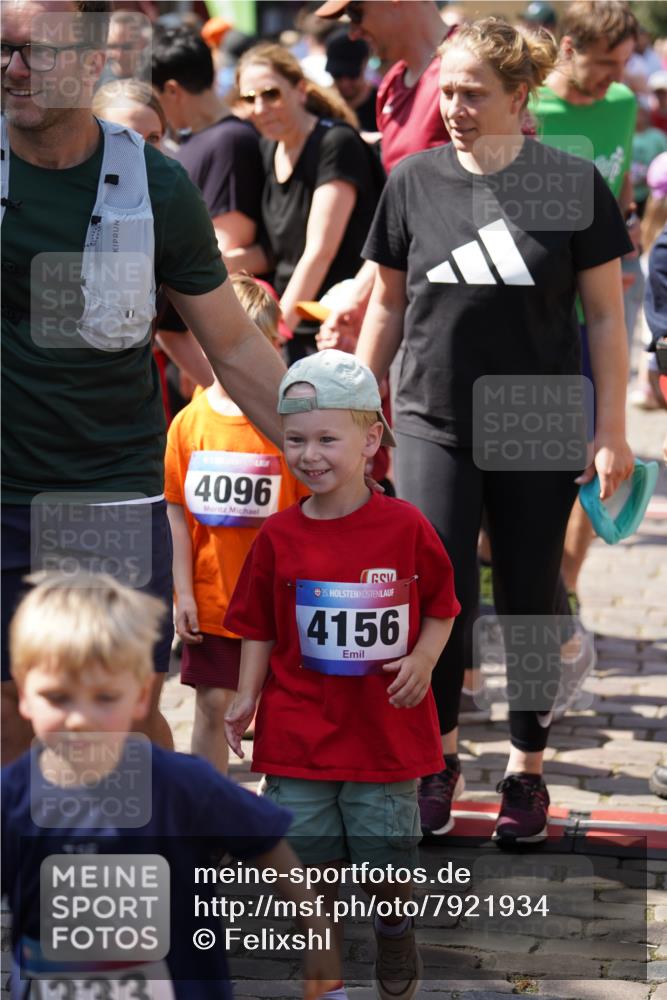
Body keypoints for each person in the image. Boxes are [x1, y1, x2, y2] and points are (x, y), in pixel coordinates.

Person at [356, 18, 634, 846]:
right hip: (430, 414)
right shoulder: (412, 179)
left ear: (520, 97)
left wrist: (610, 429)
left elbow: (605, 318)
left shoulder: (571, 183)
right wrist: (359, 402)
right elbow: (386, 303)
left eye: (473, 93)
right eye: (446, 91)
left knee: (527, 595)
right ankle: (437, 760)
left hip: (536, 415)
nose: (454, 108)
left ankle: (525, 769)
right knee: (435, 590)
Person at [1, 0, 286, 764]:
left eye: (36, 52)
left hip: (110, 491)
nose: (14, 69)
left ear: (92, 63)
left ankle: (162, 831)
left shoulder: (153, 187)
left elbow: (231, 341)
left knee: (120, 715)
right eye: (2, 49)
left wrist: (327, 451)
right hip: (5, 494)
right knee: (10, 716)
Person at [224, 350, 460, 1000]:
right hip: (299, 732)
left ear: (371, 441)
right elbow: (257, 625)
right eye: (296, 439)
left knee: (385, 861)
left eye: (327, 439)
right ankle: (322, 963)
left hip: (384, 735)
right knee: (307, 862)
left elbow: (442, 606)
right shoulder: (278, 535)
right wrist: (245, 696)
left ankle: (393, 928)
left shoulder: (405, 526)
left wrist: (422, 659)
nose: (310, 454)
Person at [2, 572, 340, 999]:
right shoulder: (12, 795)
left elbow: (265, 842)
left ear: (142, 695)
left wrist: (316, 931)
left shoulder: (184, 785)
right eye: (57, 697)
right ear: (24, 694)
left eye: (104, 698)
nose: (79, 719)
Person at [529, 0, 639, 697]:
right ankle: (527, 589)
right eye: (602, 63)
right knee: (535, 473)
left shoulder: (621, 103)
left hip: (598, 317)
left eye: (620, 65)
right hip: (535, 319)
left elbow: (620, 188)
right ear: (568, 48)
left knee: (600, 462)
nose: (612, 79)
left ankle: (561, 592)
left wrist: (621, 241)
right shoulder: (527, 107)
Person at [165, 275, 307, 774]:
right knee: (211, 706)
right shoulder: (189, 423)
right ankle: (209, 806)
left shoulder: (288, 429)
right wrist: (183, 593)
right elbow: (176, 511)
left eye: (267, 345)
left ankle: (278, 805)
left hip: (279, 607)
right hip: (214, 605)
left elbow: (311, 512)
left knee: (281, 710)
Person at [227, 43, 379, 360]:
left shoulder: (335, 143)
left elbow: (319, 253)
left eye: (271, 94)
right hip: (293, 325)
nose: (260, 108)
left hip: (335, 329)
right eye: (249, 99)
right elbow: (274, 252)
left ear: (300, 90)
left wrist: (275, 335)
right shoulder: (270, 148)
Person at [151, 26, 265, 256]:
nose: (155, 107)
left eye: (154, 96)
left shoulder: (229, 141)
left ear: (172, 90)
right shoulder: (197, 139)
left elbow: (228, 242)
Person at [325, 29, 377, 132]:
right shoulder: (322, 104)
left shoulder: (382, 103)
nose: (345, 83)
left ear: (365, 64)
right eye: (337, 75)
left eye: (352, 75)